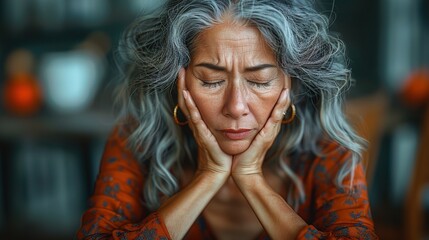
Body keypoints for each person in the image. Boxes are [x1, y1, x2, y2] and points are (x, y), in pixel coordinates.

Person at [77, 0, 378, 239]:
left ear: (292, 84)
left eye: (259, 81)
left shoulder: (327, 151)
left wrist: (251, 181)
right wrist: (208, 176)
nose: (236, 107)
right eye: (210, 80)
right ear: (176, 82)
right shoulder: (136, 140)